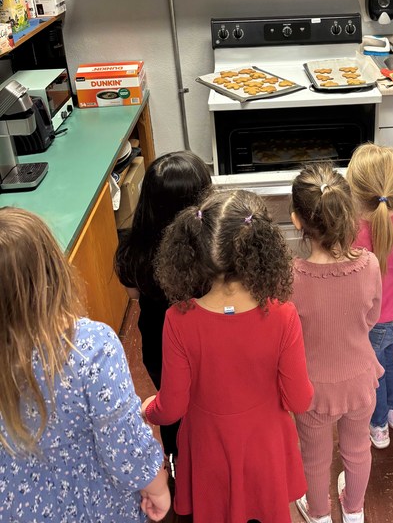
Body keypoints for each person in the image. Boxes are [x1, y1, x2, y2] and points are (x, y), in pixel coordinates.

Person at [142, 189, 313, 523]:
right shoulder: (283, 315)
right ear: (264, 249)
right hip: (266, 445)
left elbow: (172, 407)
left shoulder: (178, 320)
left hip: (209, 446)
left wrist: (149, 408)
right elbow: (300, 400)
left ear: (194, 251)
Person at [0, 207, 170, 522]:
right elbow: (124, 445)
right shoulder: (91, 348)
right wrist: (157, 486)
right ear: (53, 272)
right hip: (95, 506)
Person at [291, 162, 383, 523]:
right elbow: (372, 317)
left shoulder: (291, 277)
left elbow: (289, 337)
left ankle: (318, 515)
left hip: (312, 389)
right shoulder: (370, 264)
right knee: (358, 450)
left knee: (314, 457)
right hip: (361, 380)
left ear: (297, 220)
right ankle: (355, 510)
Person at [115, 150, 212, 461]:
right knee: (207, 401)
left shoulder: (135, 247)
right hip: (207, 341)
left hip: (158, 342)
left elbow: (132, 294)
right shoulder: (211, 250)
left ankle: (178, 460)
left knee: (172, 404)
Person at [347, 143, 393, 450]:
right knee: (391, 360)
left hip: (373, 320)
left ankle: (377, 427)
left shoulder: (354, 229)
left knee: (371, 374)